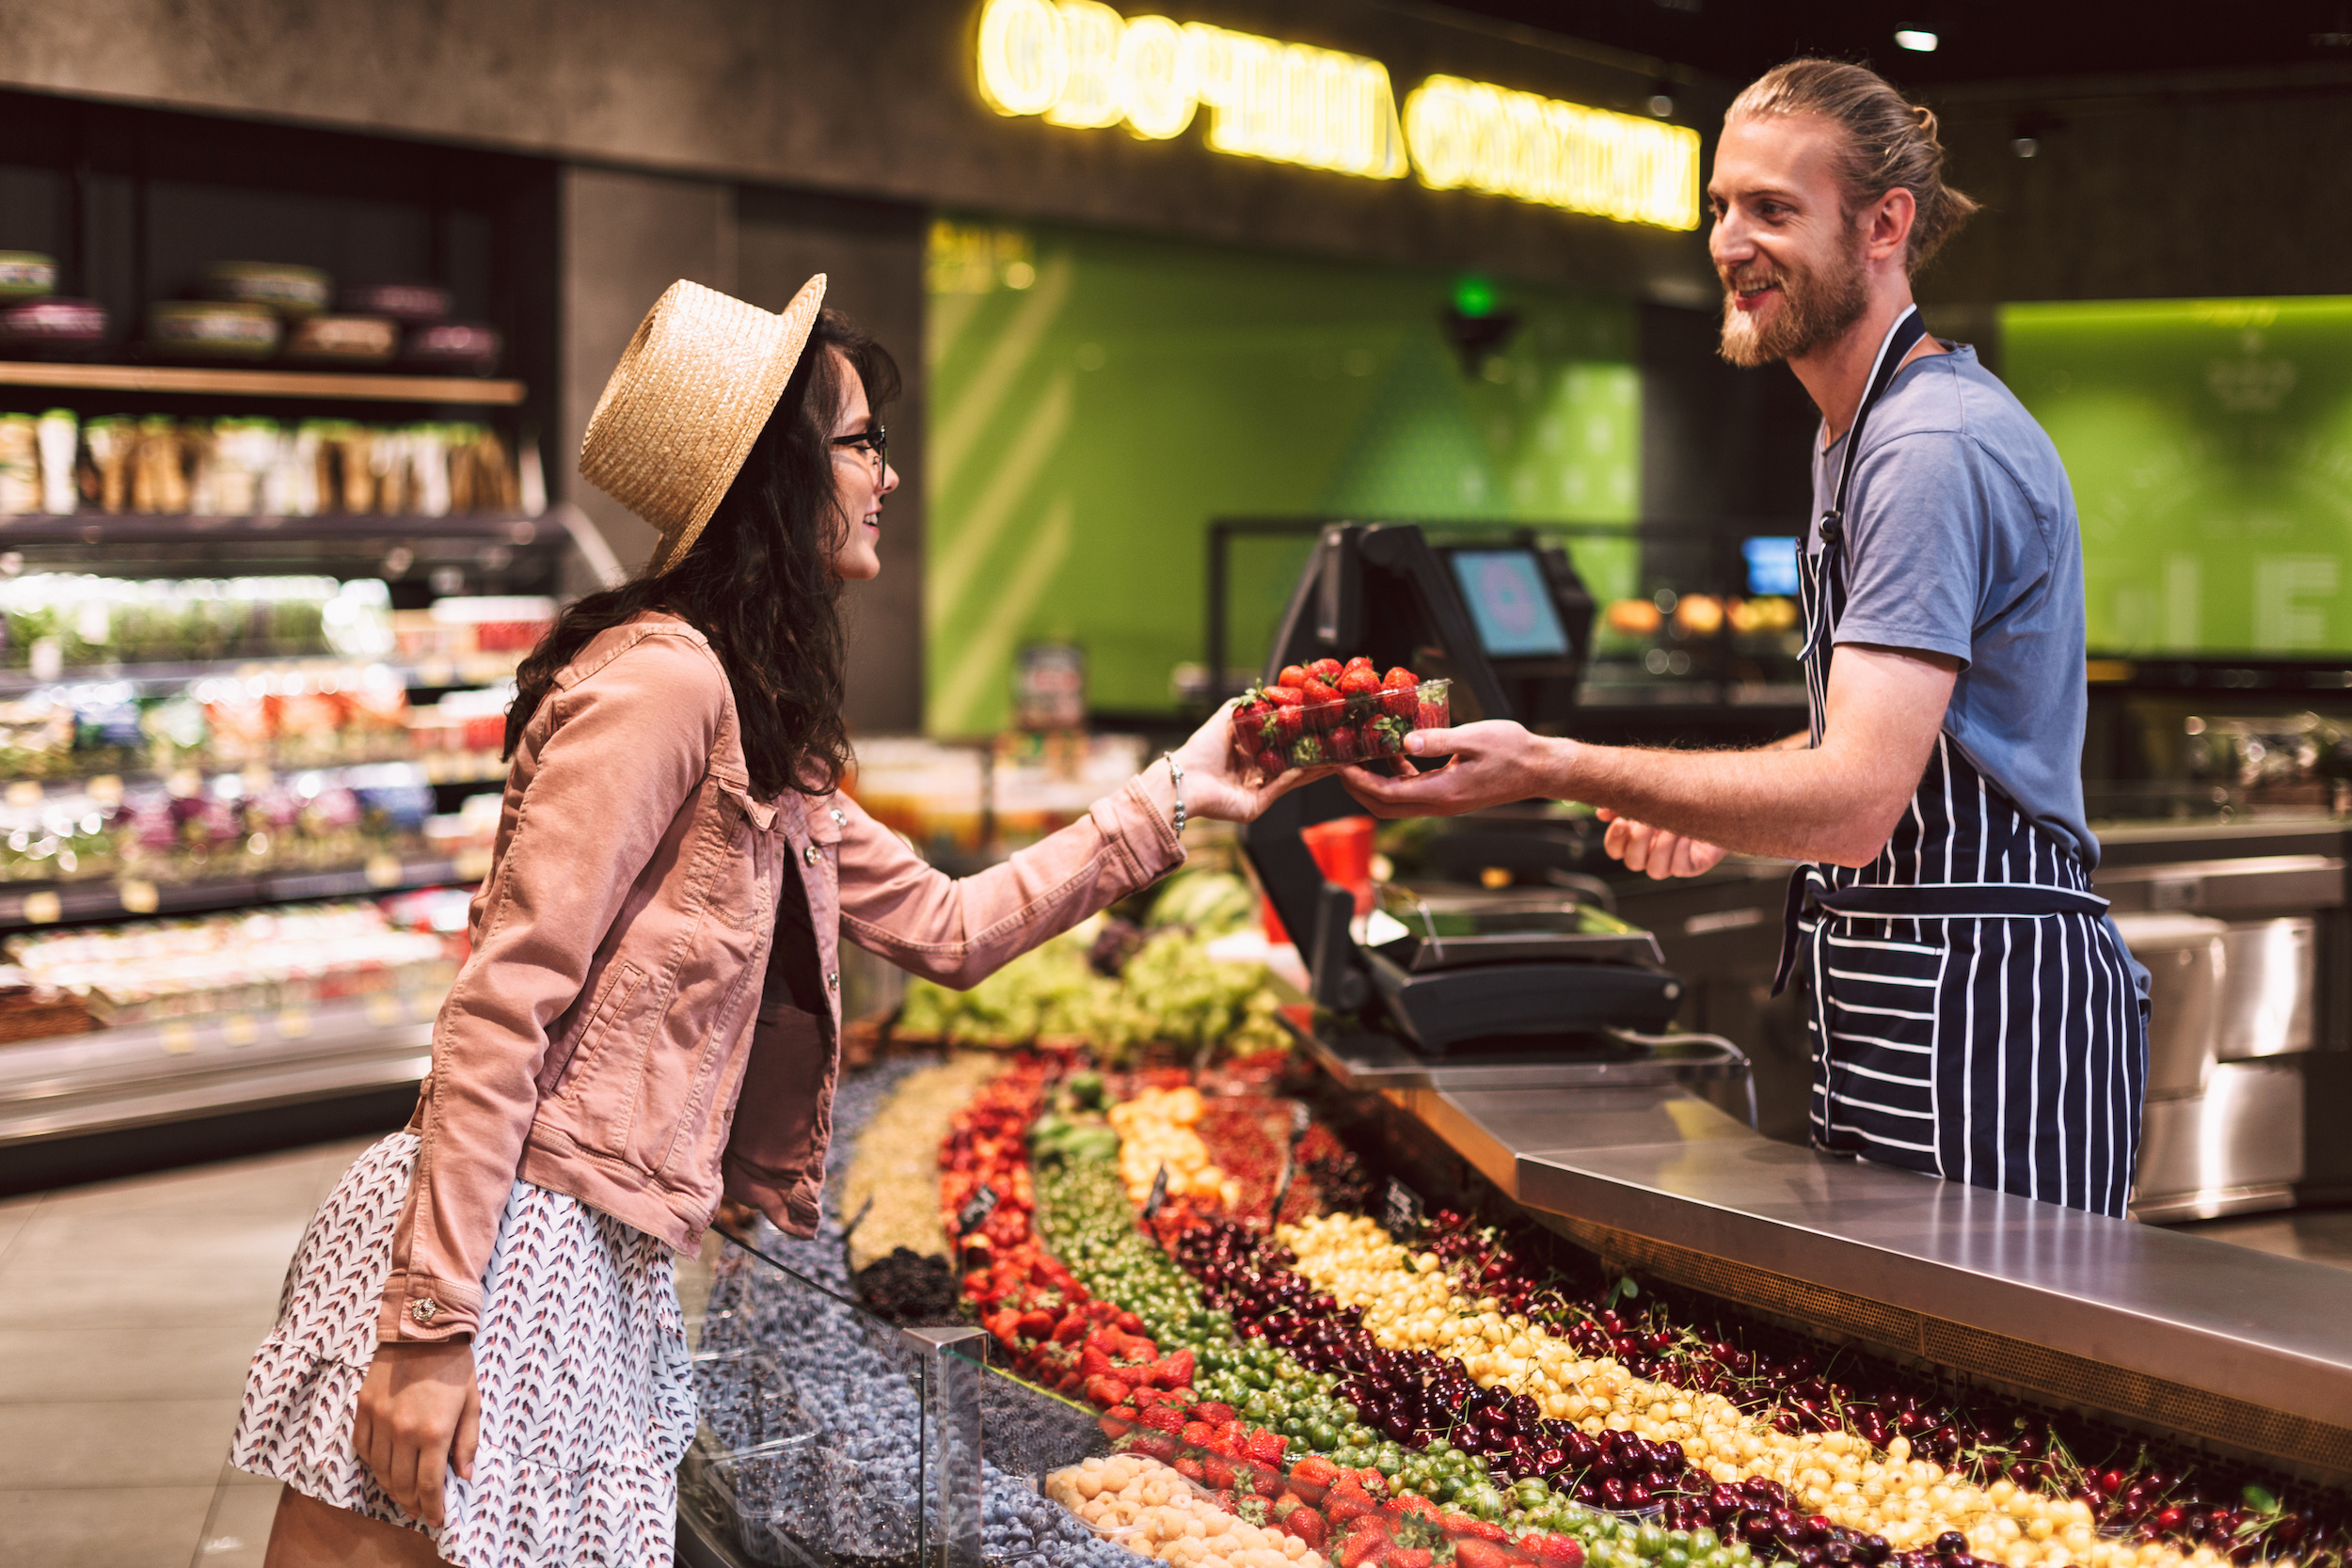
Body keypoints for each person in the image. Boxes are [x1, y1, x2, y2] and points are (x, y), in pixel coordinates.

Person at [230, 276, 1314, 1567]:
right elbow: (504, 999)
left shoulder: (760, 724)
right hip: (501, 1244)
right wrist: (423, 1324)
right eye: (862, 442)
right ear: (778, 472)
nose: (888, 476)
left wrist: (1179, 789)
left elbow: (953, 926)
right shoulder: (664, 682)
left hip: (595, 1259)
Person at [1344, 60, 2149, 1218]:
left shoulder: (1930, 445)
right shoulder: (1851, 433)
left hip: (1990, 1003)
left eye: (1773, 209)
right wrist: (1711, 805)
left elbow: (1858, 797)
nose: (1730, 241)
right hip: (1899, 979)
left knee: (2002, 1386)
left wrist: (1552, 766)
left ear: (1883, 226)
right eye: (1720, 206)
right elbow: (1895, 739)